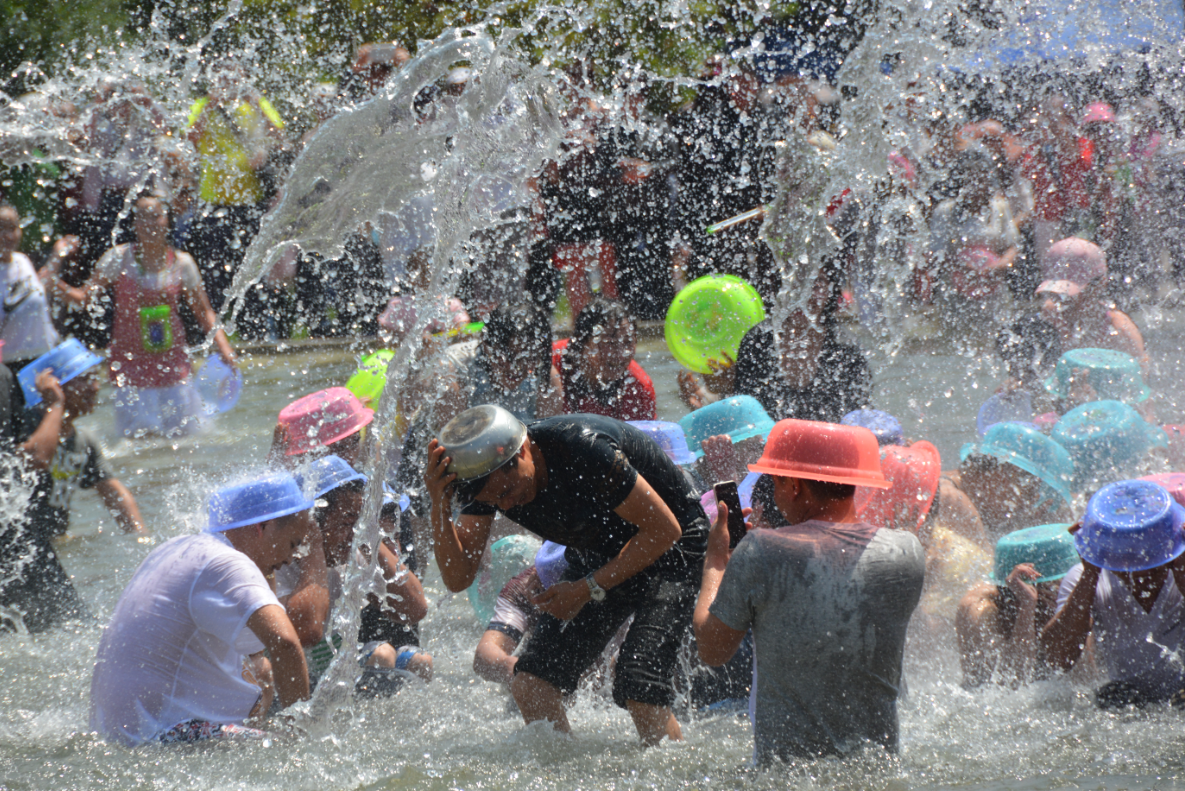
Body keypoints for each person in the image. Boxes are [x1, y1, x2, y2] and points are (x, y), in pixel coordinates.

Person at [425, 405, 709, 745]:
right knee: (531, 684)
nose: (510, 505)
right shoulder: (489, 481)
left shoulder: (583, 449)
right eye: (497, 503)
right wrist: (439, 506)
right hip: (601, 548)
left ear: (524, 450)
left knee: (638, 682)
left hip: (672, 546)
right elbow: (458, 579)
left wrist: (586, 589)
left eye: (508, 492)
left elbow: (664, 530)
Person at [693, 418, 925, 762]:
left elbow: (711, 650)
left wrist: (716, 563)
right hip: (880, 770)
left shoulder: (759, 551)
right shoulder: (906, 551)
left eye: (774, 481)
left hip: (788, 774)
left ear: (794, 486)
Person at [89, 472, 314, 746]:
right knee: (282, 749)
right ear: (262, 526)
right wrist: (301, 740)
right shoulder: (227, 563)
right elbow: (286, 642)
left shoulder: (178, 548)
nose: (291, 559)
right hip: (161, 734)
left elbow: (259, 656)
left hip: (115, 733)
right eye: (292, 544)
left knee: (259, 676)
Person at [57, 194, 237, 438]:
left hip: (173, 363)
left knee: (186, 438)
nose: (150, 224)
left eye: (156, 216)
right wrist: (53, 282)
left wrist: (225, 349)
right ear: (134, 225)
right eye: (143, 218)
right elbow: (84, 297)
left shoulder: (182, 263)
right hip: (130, 365)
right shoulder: (119, 258)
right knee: (138, 442)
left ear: (167, 221)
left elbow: (204, 312)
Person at [277, 455, 431, 695]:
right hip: (284, 677)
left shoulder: (354, 552)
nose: (354, 534)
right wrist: (314, 547)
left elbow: (414, 608)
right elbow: (307, 631)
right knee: (381, 656)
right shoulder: (279, 563)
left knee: (418, 660)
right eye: (347, 523)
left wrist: (370, 533)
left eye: (359, 521)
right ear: (312, 523)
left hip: (328, 664)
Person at [1041, 480, 1185, 708]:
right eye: (1128, 562)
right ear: (1108, 554)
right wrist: (1090, 573)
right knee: (1111, 697)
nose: (1140, 572)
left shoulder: (1180, 567)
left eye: (1151, 559)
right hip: (1127, 700)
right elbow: (1057, 659)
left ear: (1170, 546)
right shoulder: (1084, 577)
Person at [16, 339, 143, 539]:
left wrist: (141, 537)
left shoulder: (83, 440)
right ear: (55, 385)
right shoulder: (28, 424)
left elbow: (114, 494)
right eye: (85, 379)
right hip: (19, 545)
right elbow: (36, 459)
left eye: (95, 378)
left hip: (52, 544)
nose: (95, 387)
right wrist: (55, 405)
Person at [728, 263, 871, 423]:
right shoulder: (758, 341)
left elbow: (859, 421)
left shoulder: (846, 347)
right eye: (796, 282)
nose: (804, 293)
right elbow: (744, 418)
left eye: (816, 285)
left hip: (828, 445)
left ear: (829, 291)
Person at [956, 523, 1080, 688]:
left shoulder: (1074, 589)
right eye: (1059, 588)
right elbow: (1007, 689)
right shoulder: (980, 610)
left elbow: (1086, 680)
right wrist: (1027, 608)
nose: (1064, 594)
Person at [939, 421, 1075, 548]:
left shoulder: (959, 491)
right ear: (1005, 475)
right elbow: (989, 568)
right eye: (1028, 495)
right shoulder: (950, 500)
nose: (1022, 507)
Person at [553, 298, 656, 421]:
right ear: (581, 342)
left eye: (628, 342)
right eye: (610, 343)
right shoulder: (550, 363)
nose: (621, 354)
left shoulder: (639, 389)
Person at [0, 203, 60, 373]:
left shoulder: (22, 260)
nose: (8, 236)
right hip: (12, 365)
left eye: (13, 228)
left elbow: (38, 292)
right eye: (1, 229)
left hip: (46, 356)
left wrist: (57, 254)